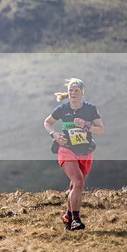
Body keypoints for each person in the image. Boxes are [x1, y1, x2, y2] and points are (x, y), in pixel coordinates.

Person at [43, 78, 104, 231]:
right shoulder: (62, 109)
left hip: (85, 152)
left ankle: (67, 215)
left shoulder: (90, 109)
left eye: (76, 90)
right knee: (78, 182)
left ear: (82, 92)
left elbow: (101, 130)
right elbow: (47, 122)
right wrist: (54, 135)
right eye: (70, 90)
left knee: (75, 187)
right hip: (66, 149)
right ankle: (75, 220)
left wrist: (86, 125)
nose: (72, 93)